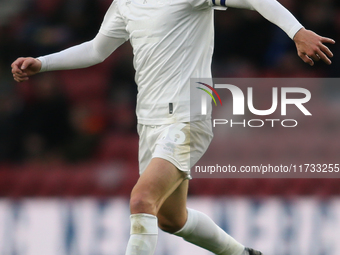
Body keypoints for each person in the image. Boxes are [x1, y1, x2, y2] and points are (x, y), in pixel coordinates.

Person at [11, 0, 335, 254]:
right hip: (149, 122)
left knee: (141, 201)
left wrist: (297, 31)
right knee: (171, 219)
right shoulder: (126, 3)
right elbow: (98, 48)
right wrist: (44, 62)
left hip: (186, 117)